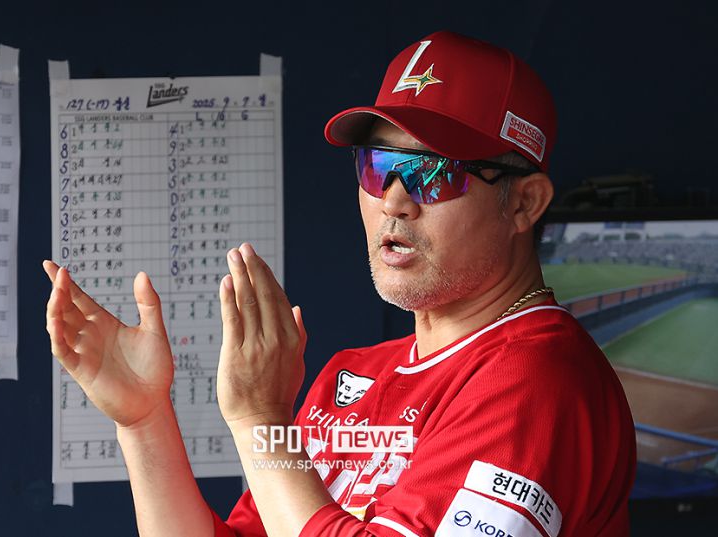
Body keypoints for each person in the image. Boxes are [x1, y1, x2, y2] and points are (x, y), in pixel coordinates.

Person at [44, 30, 636, 537]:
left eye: (434, 173)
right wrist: (145, 422)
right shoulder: (350, 376)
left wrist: (260, 419)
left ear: (524, 203)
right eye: (379, 167)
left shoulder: (537, 377)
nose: (394, 202)